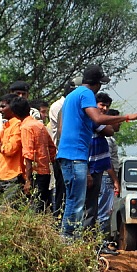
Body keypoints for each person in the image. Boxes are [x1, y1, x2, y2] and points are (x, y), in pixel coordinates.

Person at [55, 64, 137, 239]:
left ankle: (68, 240)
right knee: (77, 203)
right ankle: (68, 241)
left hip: (67, 154)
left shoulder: (71, 97)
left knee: (73, 201)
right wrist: (127, 117)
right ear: (97, 83)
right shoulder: (86, 94)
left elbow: (91, 125)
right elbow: (98, 118)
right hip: (76, 156)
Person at [20, 97, 57, 212]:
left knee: (35, 208)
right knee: (40, 207)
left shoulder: (28, 127)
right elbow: (52, 149)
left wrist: (28, 180)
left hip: (35, 173)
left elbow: (29, 155)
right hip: (43, 173)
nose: (45, 115)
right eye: (43, 112)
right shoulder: (40, 126)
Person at [48, 80, 78, 219]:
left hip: (72, 154)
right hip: (62, 153)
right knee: (62, 191)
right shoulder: (59, 106)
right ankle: (59, 221)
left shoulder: (71, 104)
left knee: (71, 192)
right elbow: (63, 131)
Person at [0, 94, 26, 202]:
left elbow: (10, 150)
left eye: (3, 107)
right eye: (0, 107)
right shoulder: (5, 126)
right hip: (1, 176)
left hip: (13, 177)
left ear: (13, 107)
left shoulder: (18, 125)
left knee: (9, 210)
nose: (0, 110)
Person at [97, 108, 121, 245]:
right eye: (117, 121)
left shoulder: (110, 138)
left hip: (106, 177)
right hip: (107, 177)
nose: (119, 124)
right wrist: (115, 180)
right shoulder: (108, 140)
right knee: (104, 211)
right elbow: (108, 162)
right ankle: (101, 243)